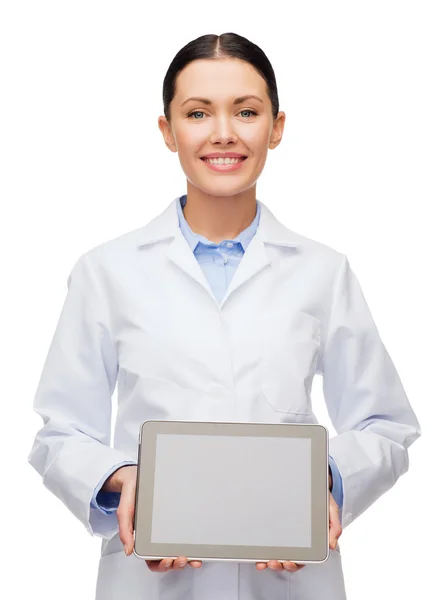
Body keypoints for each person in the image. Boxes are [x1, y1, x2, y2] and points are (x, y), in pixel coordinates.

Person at [28, 32, 421, 600]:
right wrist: (127, 480)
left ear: (276, 127)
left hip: (291, 578)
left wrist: (316, 483)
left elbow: (386, 424)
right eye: (197, 113)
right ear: (167, 131)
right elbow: (60, 433)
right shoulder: (105, 272)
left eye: (246, 111)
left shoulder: (323, 272)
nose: (223, 133)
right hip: (153, 577)